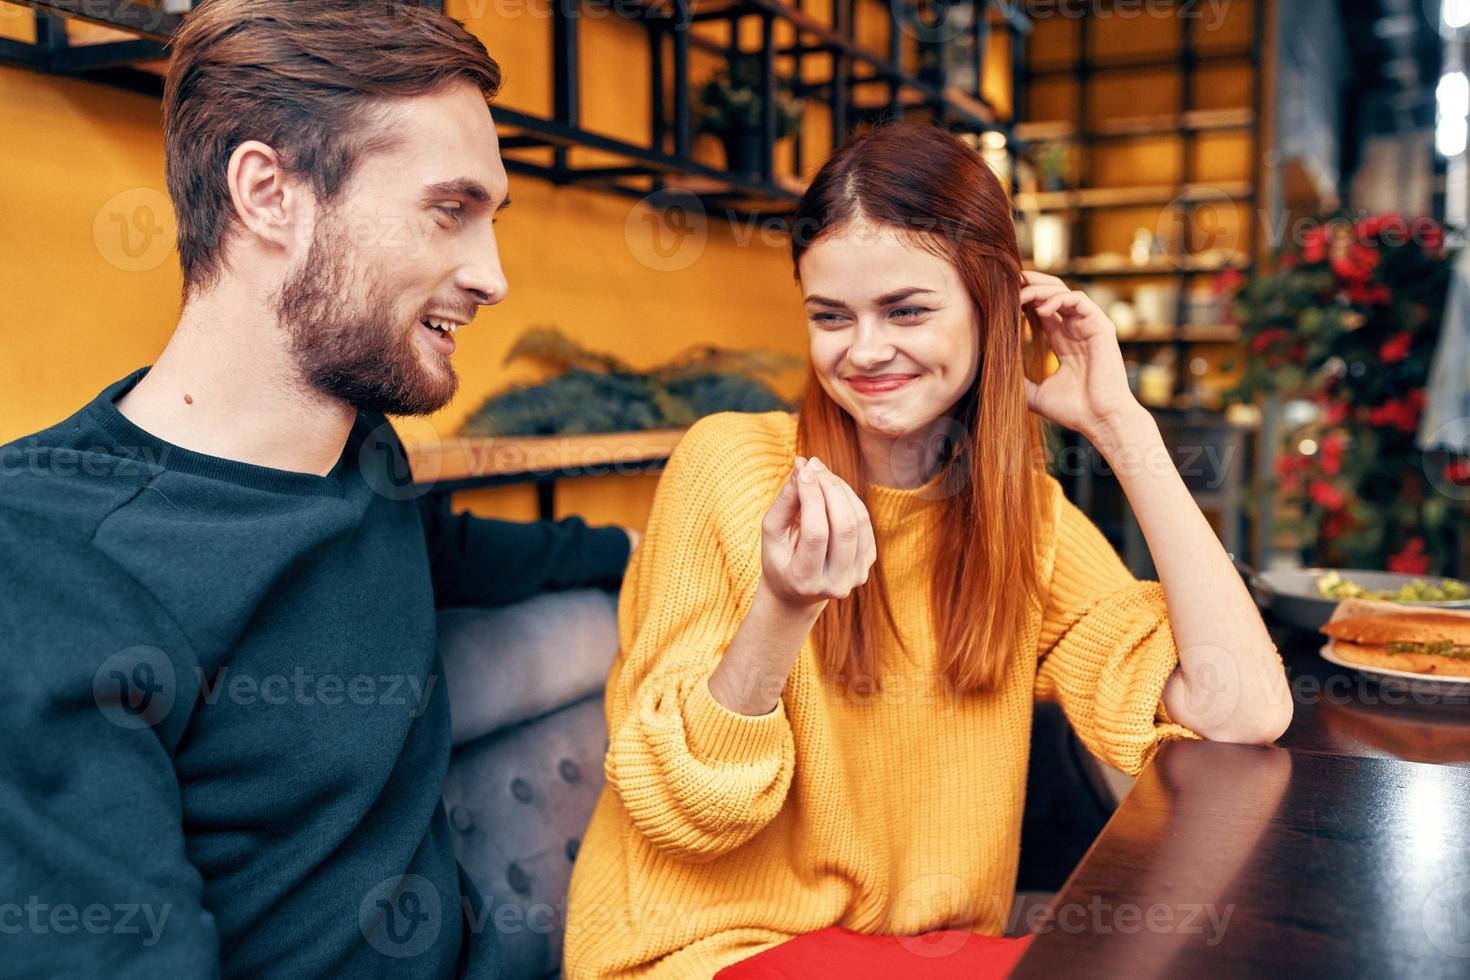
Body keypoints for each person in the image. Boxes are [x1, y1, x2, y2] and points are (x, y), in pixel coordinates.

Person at [563, 124, 1294, 978]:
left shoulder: (1025, 522)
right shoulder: (729, 465)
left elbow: (1241, 710)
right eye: (831, 316)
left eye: (907, 310)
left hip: (919, 955)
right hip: (710, 953)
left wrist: (1121, 428)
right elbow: (685, 811)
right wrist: (784, 609)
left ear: (993, 306)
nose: (864, 351)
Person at [0, 1, 634, 976]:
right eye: (448, 208)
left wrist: (669, 550)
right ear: (269, 192)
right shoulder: (46, 560)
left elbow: (468, 550)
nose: (494, 275)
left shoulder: (360, 454)